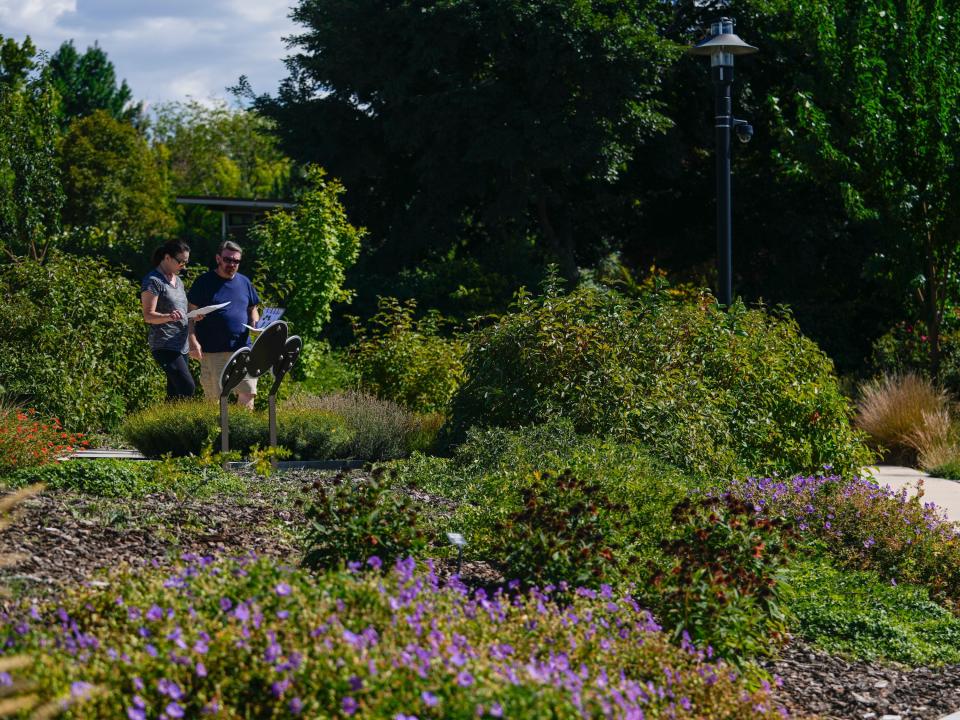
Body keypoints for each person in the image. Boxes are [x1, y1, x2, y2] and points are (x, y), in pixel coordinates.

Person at [187, 240, 261, 409]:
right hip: (213, 351)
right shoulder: (203, 282)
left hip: (243, 349)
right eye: (228, 260)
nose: (232, 264)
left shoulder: (245, 282)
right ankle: (219, 435)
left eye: (236, 261)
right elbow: (189, 316)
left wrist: (255, 322)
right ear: (218, 258)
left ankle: (241, 434)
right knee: (216, 401)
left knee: (248, 393)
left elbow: (253, 307)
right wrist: (192, 340)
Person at [141, 239, 196, 400]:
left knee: (175, 393)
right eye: (181, 261)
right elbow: (148, 316)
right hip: (164, 344)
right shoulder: (153, 281)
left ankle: (169, 424)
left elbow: (181, 310)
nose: (183, 266)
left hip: (181, 344)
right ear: (167, 258)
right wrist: (168, 316)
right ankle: (182, 424)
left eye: (186, 262)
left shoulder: (178, 281)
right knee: (187, 387)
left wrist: (193, 315)